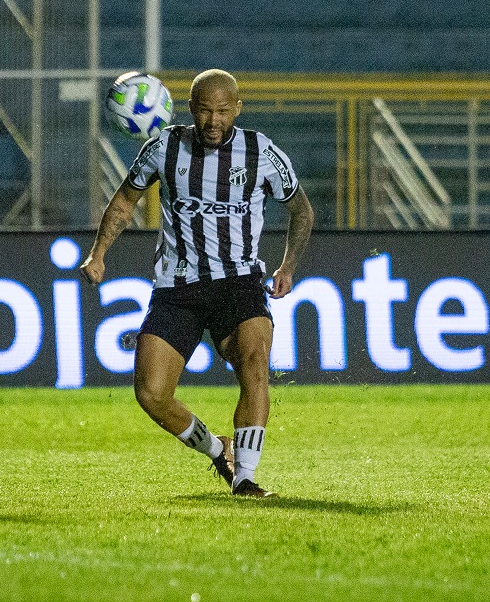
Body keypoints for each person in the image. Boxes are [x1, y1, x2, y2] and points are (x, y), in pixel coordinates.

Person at [80, 69, 314, 498]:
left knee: (255, 361)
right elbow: (124, 201)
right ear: (189, 109)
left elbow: (301, 210)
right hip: (177, 289)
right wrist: (98, 253)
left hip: (240, 282)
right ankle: (216, 448)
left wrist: (287, 267)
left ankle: (245, 477)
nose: (213, 120)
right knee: (151, 393)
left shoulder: (259, 151)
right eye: (205, 110)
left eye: (223, 111)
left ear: (237, 109)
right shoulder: (163, 147)